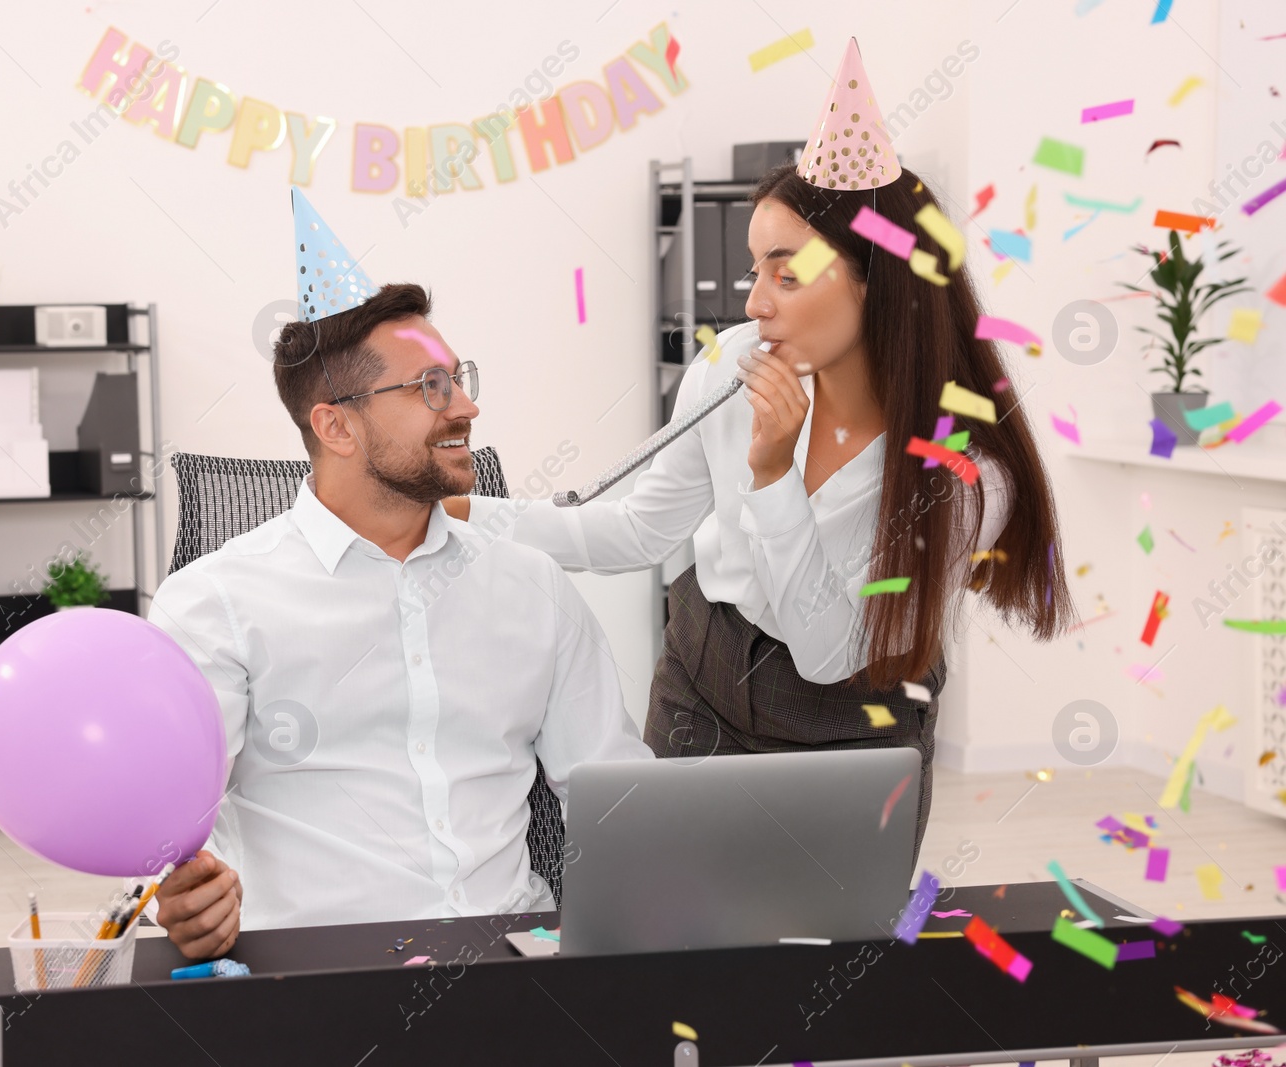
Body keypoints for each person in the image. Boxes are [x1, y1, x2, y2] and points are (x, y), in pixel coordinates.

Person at [444, 40, 1073, 863]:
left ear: (874, 279)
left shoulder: (966, 472)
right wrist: (468, 513)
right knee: (667, 934)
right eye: (754, 269)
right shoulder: (728, 367)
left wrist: (774, 476)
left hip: (853, 726)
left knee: (821, 965)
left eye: (785, 273)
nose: (752, 300)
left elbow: (831, 653)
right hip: (701, 682)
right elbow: (637, 531)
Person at [146, 192, 651, 960]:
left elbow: (620, 802)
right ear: (336, 424)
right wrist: (180, 894)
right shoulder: (214, 603)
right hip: (317, 980)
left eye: (458, 378)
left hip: (519, 970)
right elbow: (168, 827)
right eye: (430, 388)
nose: (467, 407)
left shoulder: (532, 588)